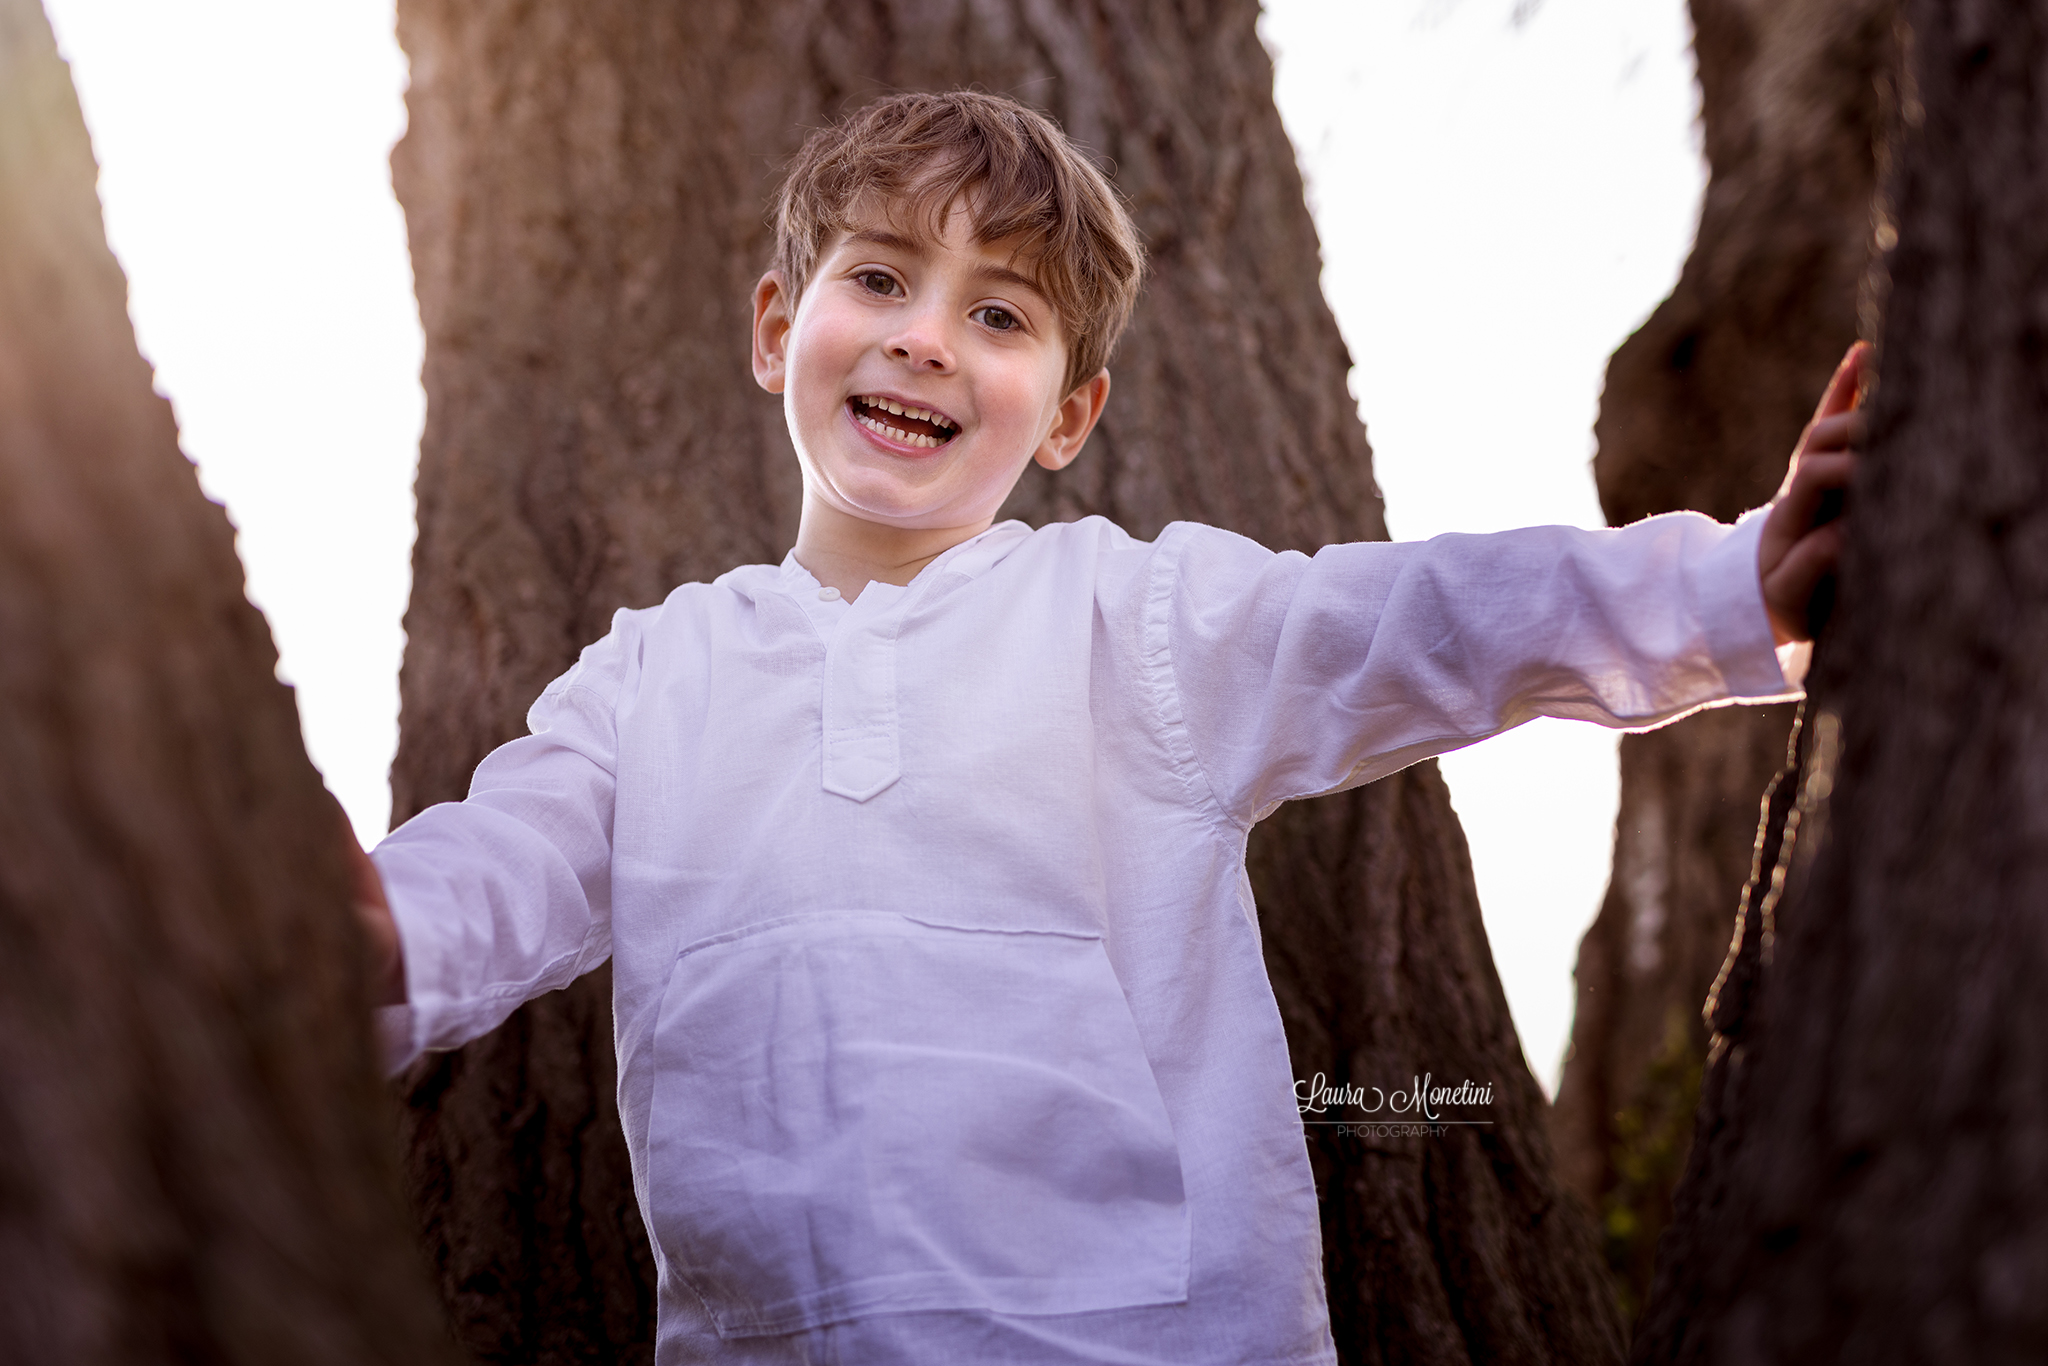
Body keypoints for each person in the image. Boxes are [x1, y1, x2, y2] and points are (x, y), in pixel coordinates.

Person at [350, 91, 1865, 1365]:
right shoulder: (651, 678)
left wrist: (1733, 586)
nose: (925, 339)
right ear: (776, 326)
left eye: (998, 314)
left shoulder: (1136, 622)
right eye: (878, 278)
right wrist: (355, 934)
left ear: (1068, 415)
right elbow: (496, 868)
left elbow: (1425, 622)